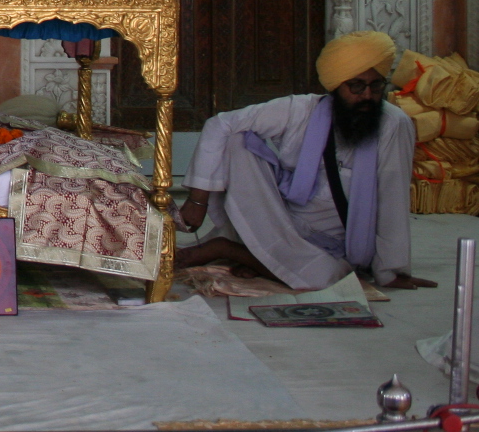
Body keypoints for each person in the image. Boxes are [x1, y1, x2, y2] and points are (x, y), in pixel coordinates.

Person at [177, 30, 435, 292]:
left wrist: (391, 270)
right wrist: (198, 200)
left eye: (376, 86)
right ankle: (259, 257)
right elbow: (219, 124)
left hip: (332, 241)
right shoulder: (299, 110)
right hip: (276, 219)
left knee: (323, 279)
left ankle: (233, 251)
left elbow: (393, 195)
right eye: (356, 86)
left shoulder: (394, 124)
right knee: (236, 137)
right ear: (336, 86)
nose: (367, 96)